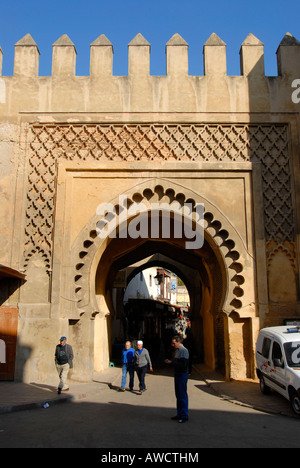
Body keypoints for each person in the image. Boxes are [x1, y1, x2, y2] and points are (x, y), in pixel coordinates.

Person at [164, 335, 189, 423]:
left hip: (182, 374)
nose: (172, 344)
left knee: (182, 395)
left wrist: (172, 362)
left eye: (174, 343)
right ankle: (179, 413)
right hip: (178, 374)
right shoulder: (177, 351)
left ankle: (184, 415)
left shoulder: (183, 351)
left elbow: (183, 364)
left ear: (179, 342)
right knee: (178, 395)